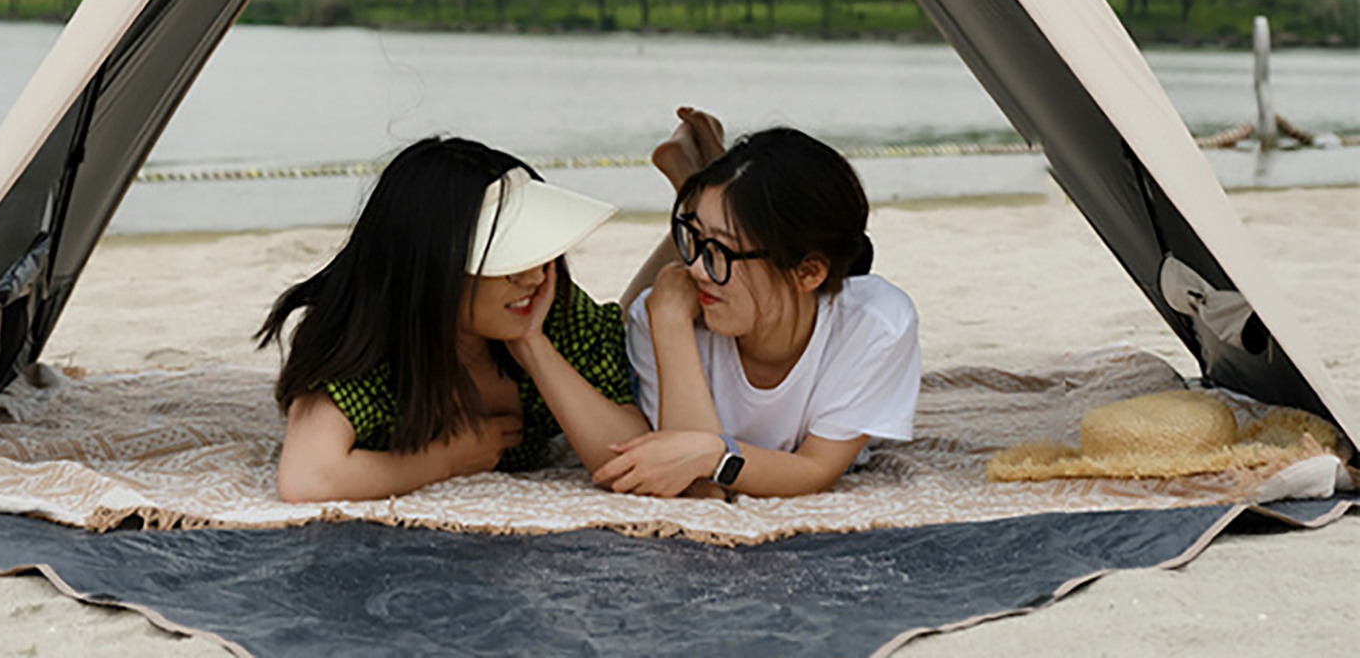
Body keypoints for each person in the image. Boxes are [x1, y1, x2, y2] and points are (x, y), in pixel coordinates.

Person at [256, 136, 651, 502]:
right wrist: (446, 459)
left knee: (637, 314)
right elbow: (308, 478)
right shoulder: (363, 344)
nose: (533, 276)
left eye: (534, 251)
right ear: (433, 268)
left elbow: (632, 460)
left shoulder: (549, 308)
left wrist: (533, 346)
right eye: (507, 262)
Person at [596, 113, 920, 499]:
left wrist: (715, 456)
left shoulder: (877, 324)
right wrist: (669, 321)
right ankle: (707, 197)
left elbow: (815, 468)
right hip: (670, 328)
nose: (694, 268)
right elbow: (695, 485)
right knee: (618, 327)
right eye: (692, 236)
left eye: (722, 250)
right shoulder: (666, 313)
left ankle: (699, 187)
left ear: (808, 272)